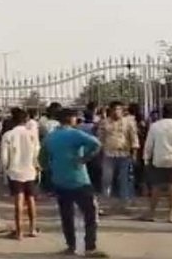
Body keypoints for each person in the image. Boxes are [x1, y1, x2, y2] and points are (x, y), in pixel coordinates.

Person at [43, 108, 106, 258]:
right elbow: (96, 143)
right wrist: (85, 158)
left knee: (66, 215)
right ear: (71, 118)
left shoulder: (50, 137)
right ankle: (90, 247)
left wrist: (52, 169)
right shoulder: (75, 134)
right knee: (90, 213)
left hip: (60, 180)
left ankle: (71, 246)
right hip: (79, 179)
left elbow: (42, 159)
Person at [141, 103, 172, 223]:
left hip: (158, 159)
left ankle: (151, 213)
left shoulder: (155, 126)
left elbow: (149, 144)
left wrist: (146, 159)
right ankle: (171, 215)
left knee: (156, 186)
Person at [1, 107, 41, 239]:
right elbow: (37, 151)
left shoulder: (8, 135)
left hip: (15, 171)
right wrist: (36, 165)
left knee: (19, 199)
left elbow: (4, 157)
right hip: (30, 170)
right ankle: (33, 229)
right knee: (31, 199)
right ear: (26, 120)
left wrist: (6, 169)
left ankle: (19, 232)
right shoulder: (32, 134)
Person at [96, 100, 139, 214]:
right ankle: (105, 204)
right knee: (106, 179)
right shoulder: (104, 123)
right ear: (110, 110)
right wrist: (99, 154)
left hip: (124, 154)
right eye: (114, 109)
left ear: (122, 111)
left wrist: (134, 154)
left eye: (119, 109)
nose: (116, 112)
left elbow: (134, 138)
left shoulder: (129, 122)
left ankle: (125, 204)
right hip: (108, 154)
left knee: (124, 180)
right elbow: (100, 139)